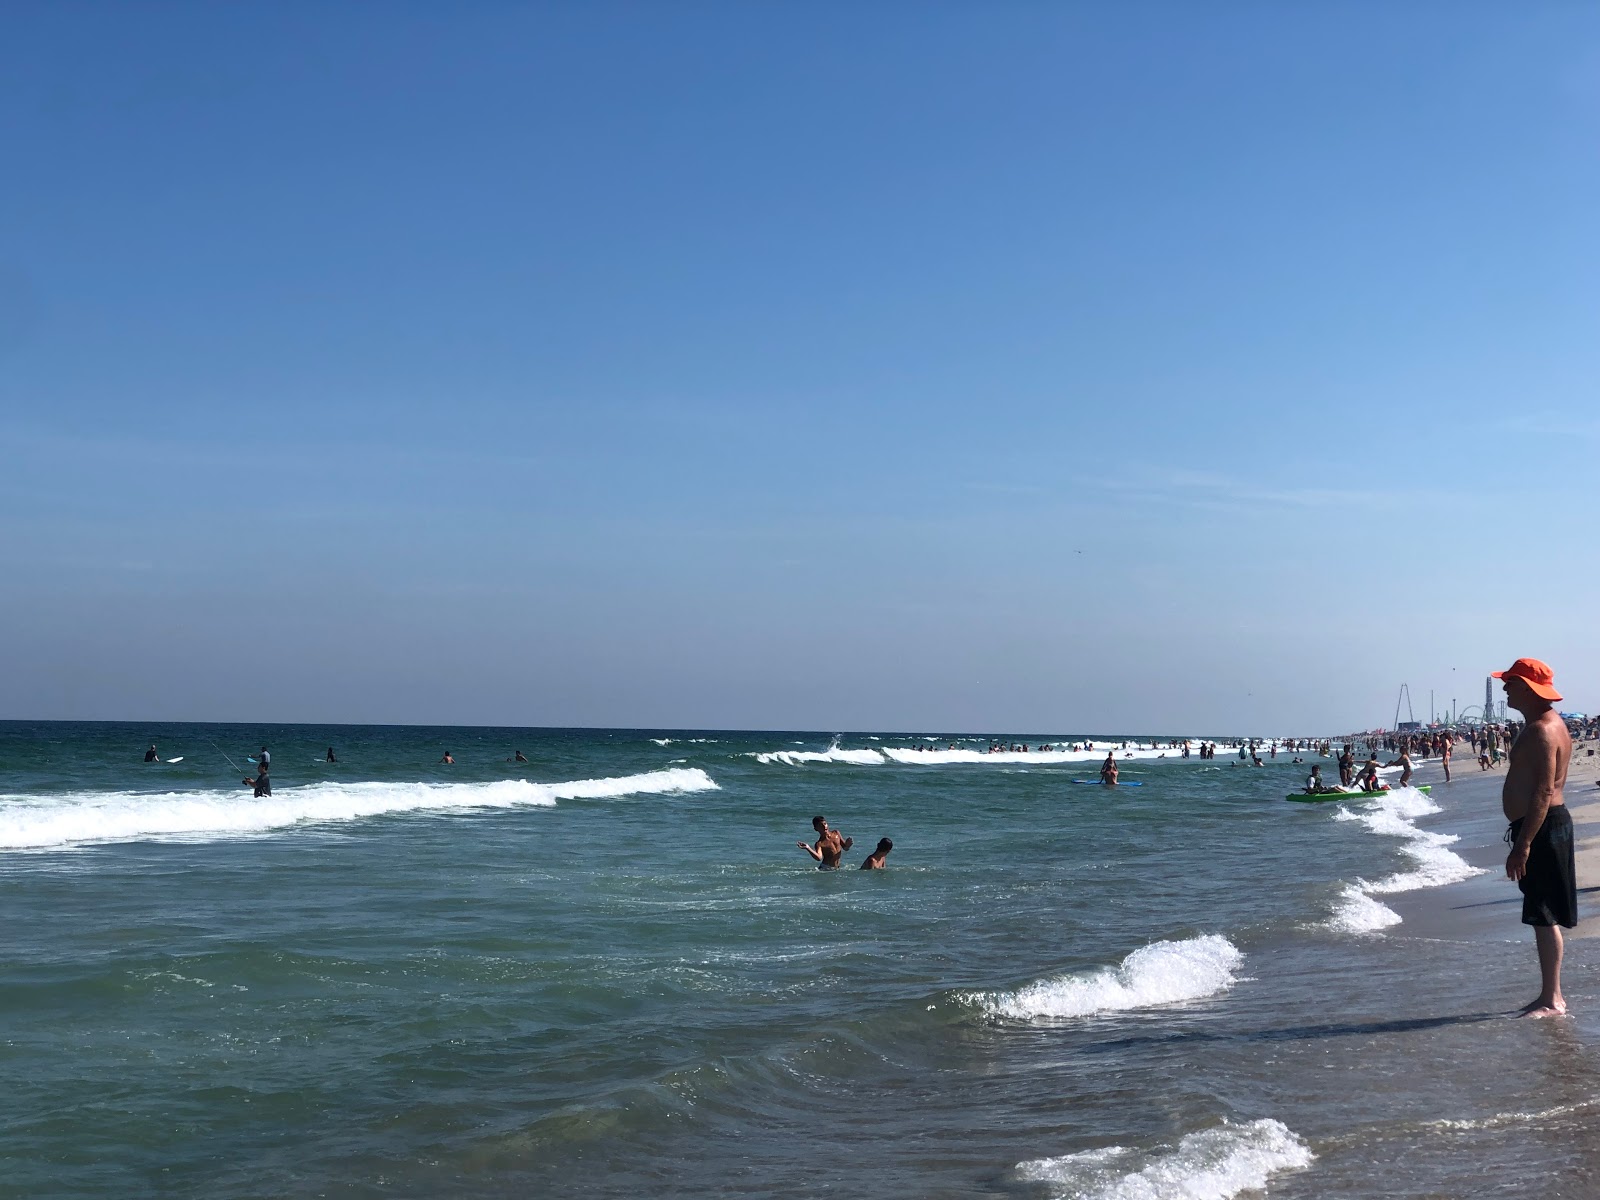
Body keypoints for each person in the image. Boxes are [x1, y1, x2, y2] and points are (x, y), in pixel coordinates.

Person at [1493, 658, 1575, 1017]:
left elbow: (1543, 791)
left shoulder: (1544, 728)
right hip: (1542, 825)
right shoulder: (1544, 725)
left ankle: (1551, 998)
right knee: (1542, 911)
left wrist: (1523, 845)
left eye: (1510, 682)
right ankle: (1549, 995)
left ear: (1527, 687)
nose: (1505, 687)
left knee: (1543, 912)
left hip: (1542, 827)